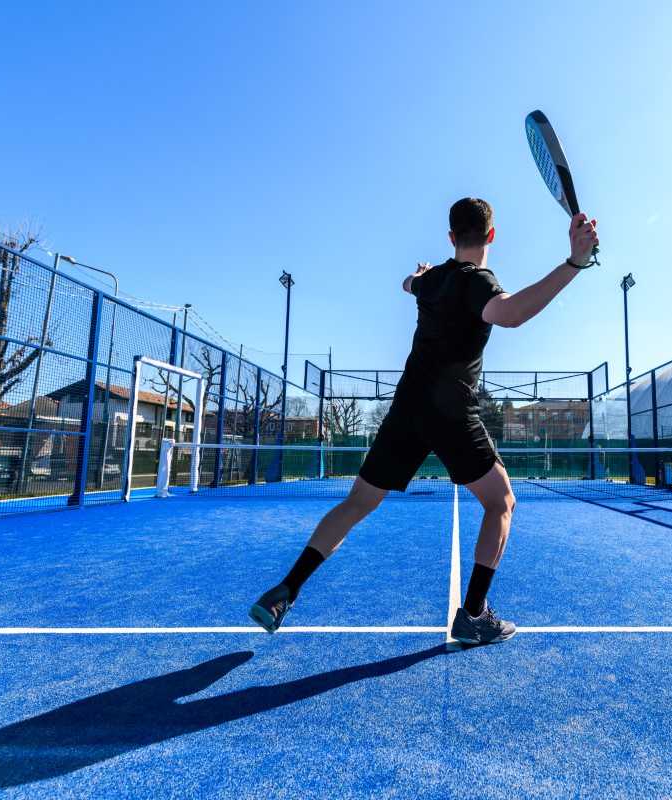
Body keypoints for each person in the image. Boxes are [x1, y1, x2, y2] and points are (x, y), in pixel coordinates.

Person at [250, 197, 599, 644]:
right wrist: (574, 262)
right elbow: (509, 314)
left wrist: (419, 274)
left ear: (452, 237)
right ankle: (474, 615)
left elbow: (406, 283)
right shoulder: (478, 281)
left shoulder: (430, 280)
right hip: (450, 414)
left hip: (406, 410)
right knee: (501, 503)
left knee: (356, 503)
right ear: (491, 236)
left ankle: (286, 589)